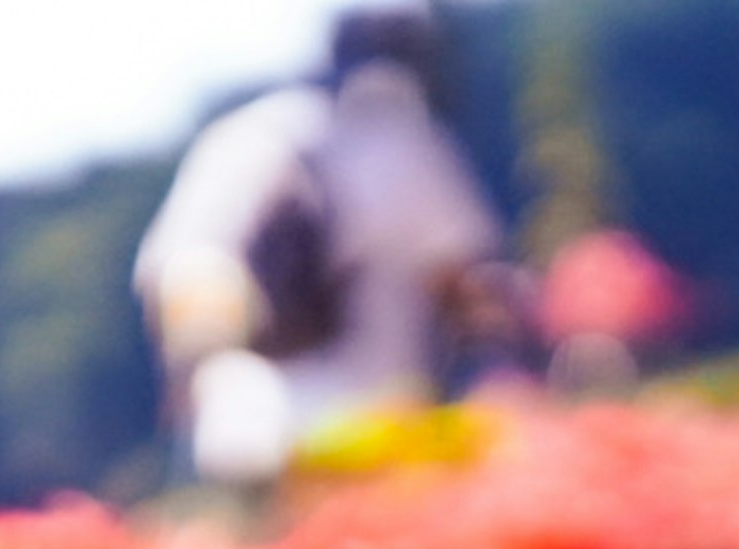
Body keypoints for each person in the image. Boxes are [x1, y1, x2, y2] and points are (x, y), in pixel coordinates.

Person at [134, 2, 507, 498]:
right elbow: (466, 282)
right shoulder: (394, 135)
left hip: (243, 436)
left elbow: (175, 271)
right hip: (367, 431)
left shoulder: (239, 136)